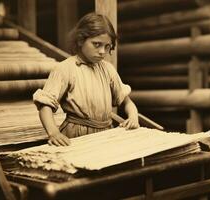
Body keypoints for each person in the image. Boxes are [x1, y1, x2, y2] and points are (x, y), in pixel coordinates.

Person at [33, 12, 139, 146]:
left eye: (107, 46)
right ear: (80, 40)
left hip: (106, 134)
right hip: (76, 135)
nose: (102, 51)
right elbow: (45, 105)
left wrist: (133, 117)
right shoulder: (65, 69)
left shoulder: (108, 69)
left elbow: (127, 102)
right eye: (97, 44)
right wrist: (54, 133)